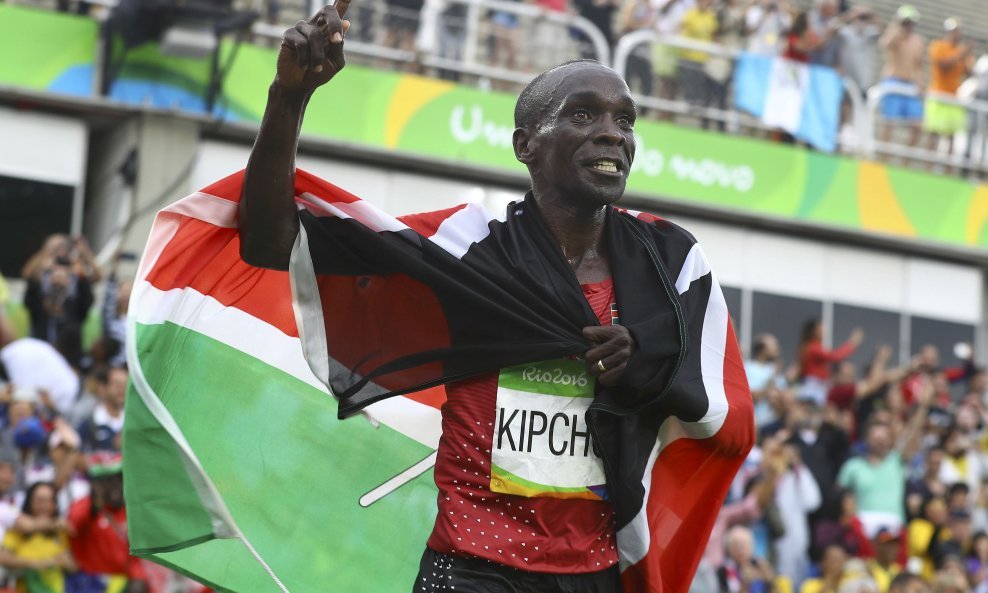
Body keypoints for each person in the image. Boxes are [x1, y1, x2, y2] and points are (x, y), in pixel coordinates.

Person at [236, 3, 753, 591]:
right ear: (525, 144)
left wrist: (645, 362)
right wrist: (289, 96)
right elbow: (271, 240)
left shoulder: (672, 261)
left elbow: (724, 405)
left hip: (596, 572)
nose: (613, 132)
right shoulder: (466, 245)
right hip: (472, 568)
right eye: (583, 114)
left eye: (625, 120)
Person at [0, 482, 75, 593]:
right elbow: (2, 557)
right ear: (29, 502)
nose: (44, 506)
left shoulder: (62, 531)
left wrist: (66, 563)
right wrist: (35, 563)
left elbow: (76, 565)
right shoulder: (17, 530)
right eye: (39, 500)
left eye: (49, 500)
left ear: (55, 504)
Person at [925, 18, 974, 158]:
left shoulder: (962, 52)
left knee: (951, 136)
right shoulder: (938, 46)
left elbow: (970, 73)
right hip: (938, 94)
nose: (956, 34)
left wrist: (965, 57)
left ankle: (948, 167)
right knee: (933, 133)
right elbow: (943, 66)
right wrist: (960, 54)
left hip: (954, 96)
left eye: (958, 31)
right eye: (953, 31)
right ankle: (927, 164)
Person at [877, 6, 925, 148]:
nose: (908, 25)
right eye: (905, 22)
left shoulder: (917, 41)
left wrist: (920, 83)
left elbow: (918, 66)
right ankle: (883, 157)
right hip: (893, 82)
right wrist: (897, 29)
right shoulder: (894, 35)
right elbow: (886, 44)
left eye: (910, 22)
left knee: (918, 126)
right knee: (889, 125)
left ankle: (905, 158)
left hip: (909, 85)